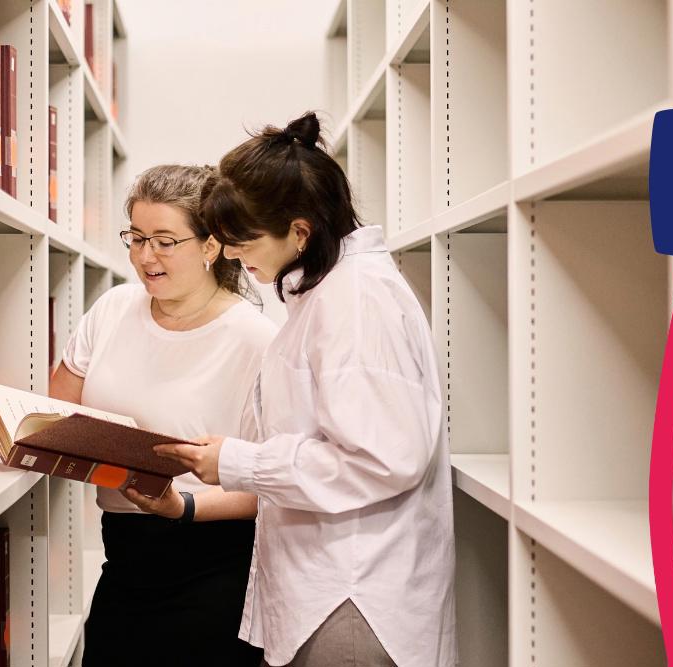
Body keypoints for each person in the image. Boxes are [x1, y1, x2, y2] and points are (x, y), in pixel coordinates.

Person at [157, 112, 456, 667]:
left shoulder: (357, 300)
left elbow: (383, 460)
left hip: (355, 596)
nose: (233, 257)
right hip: (330, 590)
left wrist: (240, 461)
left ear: (299, 231)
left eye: (242, 241)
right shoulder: (327, 295)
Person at [50, 164, 276, 666]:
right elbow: (56, 412)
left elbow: (274, 483)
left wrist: (181, 507)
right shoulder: (112, 309)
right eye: (136, 237)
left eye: (165, 241)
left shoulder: (254, 341)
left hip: (212, 569)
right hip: (125, 558)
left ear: (211, 246)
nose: (145, 256)